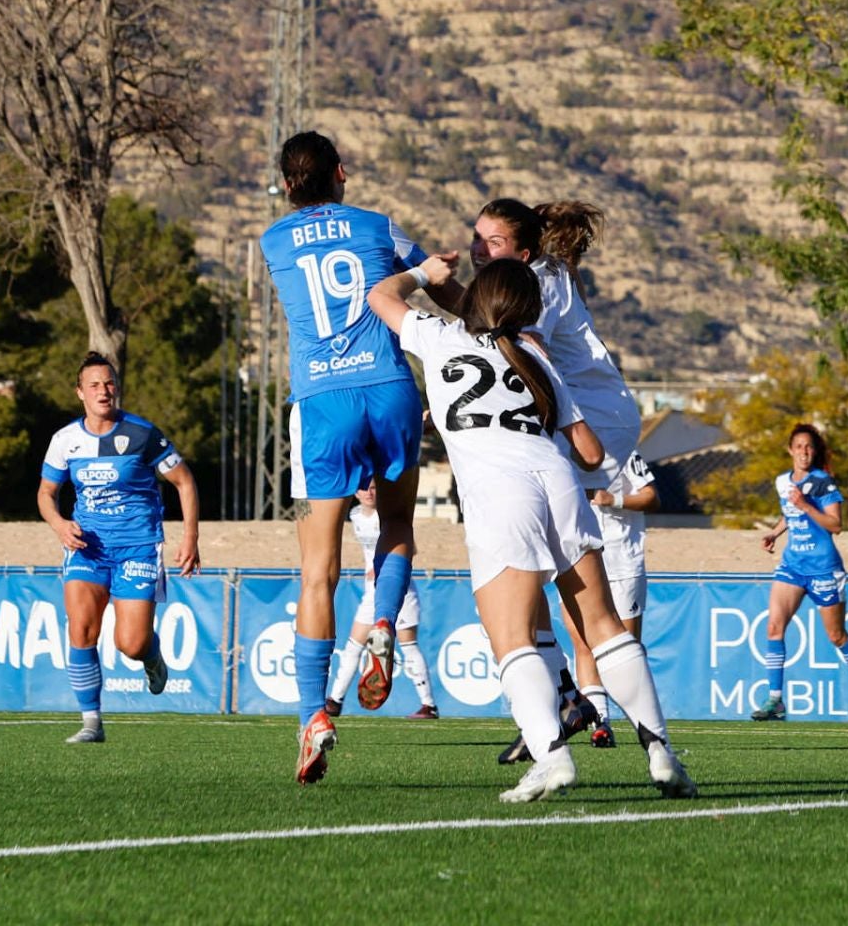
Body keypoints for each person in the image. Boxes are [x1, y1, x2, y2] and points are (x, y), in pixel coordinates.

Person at [366, 253, 696, 802]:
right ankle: (661, 751)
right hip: (557, 478)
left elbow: (381, 297)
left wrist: (425, 273)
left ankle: (551, 757)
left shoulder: (443, 337)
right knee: (604, 626)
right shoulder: (536, 354)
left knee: (513, 640)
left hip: (500, 490)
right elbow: (589, 454)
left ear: (476, 301)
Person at [260, 131, 450, 785]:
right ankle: (382, 629)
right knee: (397, 528)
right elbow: (436, 283)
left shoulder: (273, 241)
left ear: (287, 184)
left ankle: (314, 714)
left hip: (322, 403)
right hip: (390, 388)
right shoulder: (377, 225)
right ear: (341, 172)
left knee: (318, 570)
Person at [469, 199, 656, 756]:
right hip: (585, 416)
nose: (480, 251)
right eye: (477, 239)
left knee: (567, 565)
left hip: (597, 417)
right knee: (539, 557)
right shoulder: (529, 275)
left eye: (493, 243)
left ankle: (595, 709)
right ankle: (571, 700)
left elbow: (514, 343)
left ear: (523, 252)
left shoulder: (538, 282)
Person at [38, 353, 202, 744]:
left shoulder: (143, 434)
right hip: (88, 550)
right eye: (94, 385)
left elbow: (185, 482)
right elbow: (46, 494)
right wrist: (60, 524)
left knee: (130, 643)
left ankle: (151, 655)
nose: (103, 391)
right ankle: (91, 723)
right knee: (80, 628)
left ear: (118, 388)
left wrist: (190, 537)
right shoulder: (65, 441)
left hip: (137, 549)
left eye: (109, 383)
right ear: (80, 393)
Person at [750, 424, 848, 723]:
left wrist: (806, 506)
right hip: (793, 565)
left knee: (836, 635)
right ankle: (775, 700)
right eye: (798, 446)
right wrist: (775, 532)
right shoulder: (782, 481)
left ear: (814, 451)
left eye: (809, 447)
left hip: (824, 568)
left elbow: (836, 525)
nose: (804, 452)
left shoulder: (824, 483)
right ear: (790, 450)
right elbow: (789, 511)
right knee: (774, 627)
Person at [324, 482, 440, 720]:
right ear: (355, 492)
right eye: (363, 487)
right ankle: (334, 701)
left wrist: (383, 568)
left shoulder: (386, 516)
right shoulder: (355, 516)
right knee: (353, 646)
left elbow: (410, 548)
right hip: (371, 591)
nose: (369, 492)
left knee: (408, 646)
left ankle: (429, 705)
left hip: (400, 589)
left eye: (374, 487)